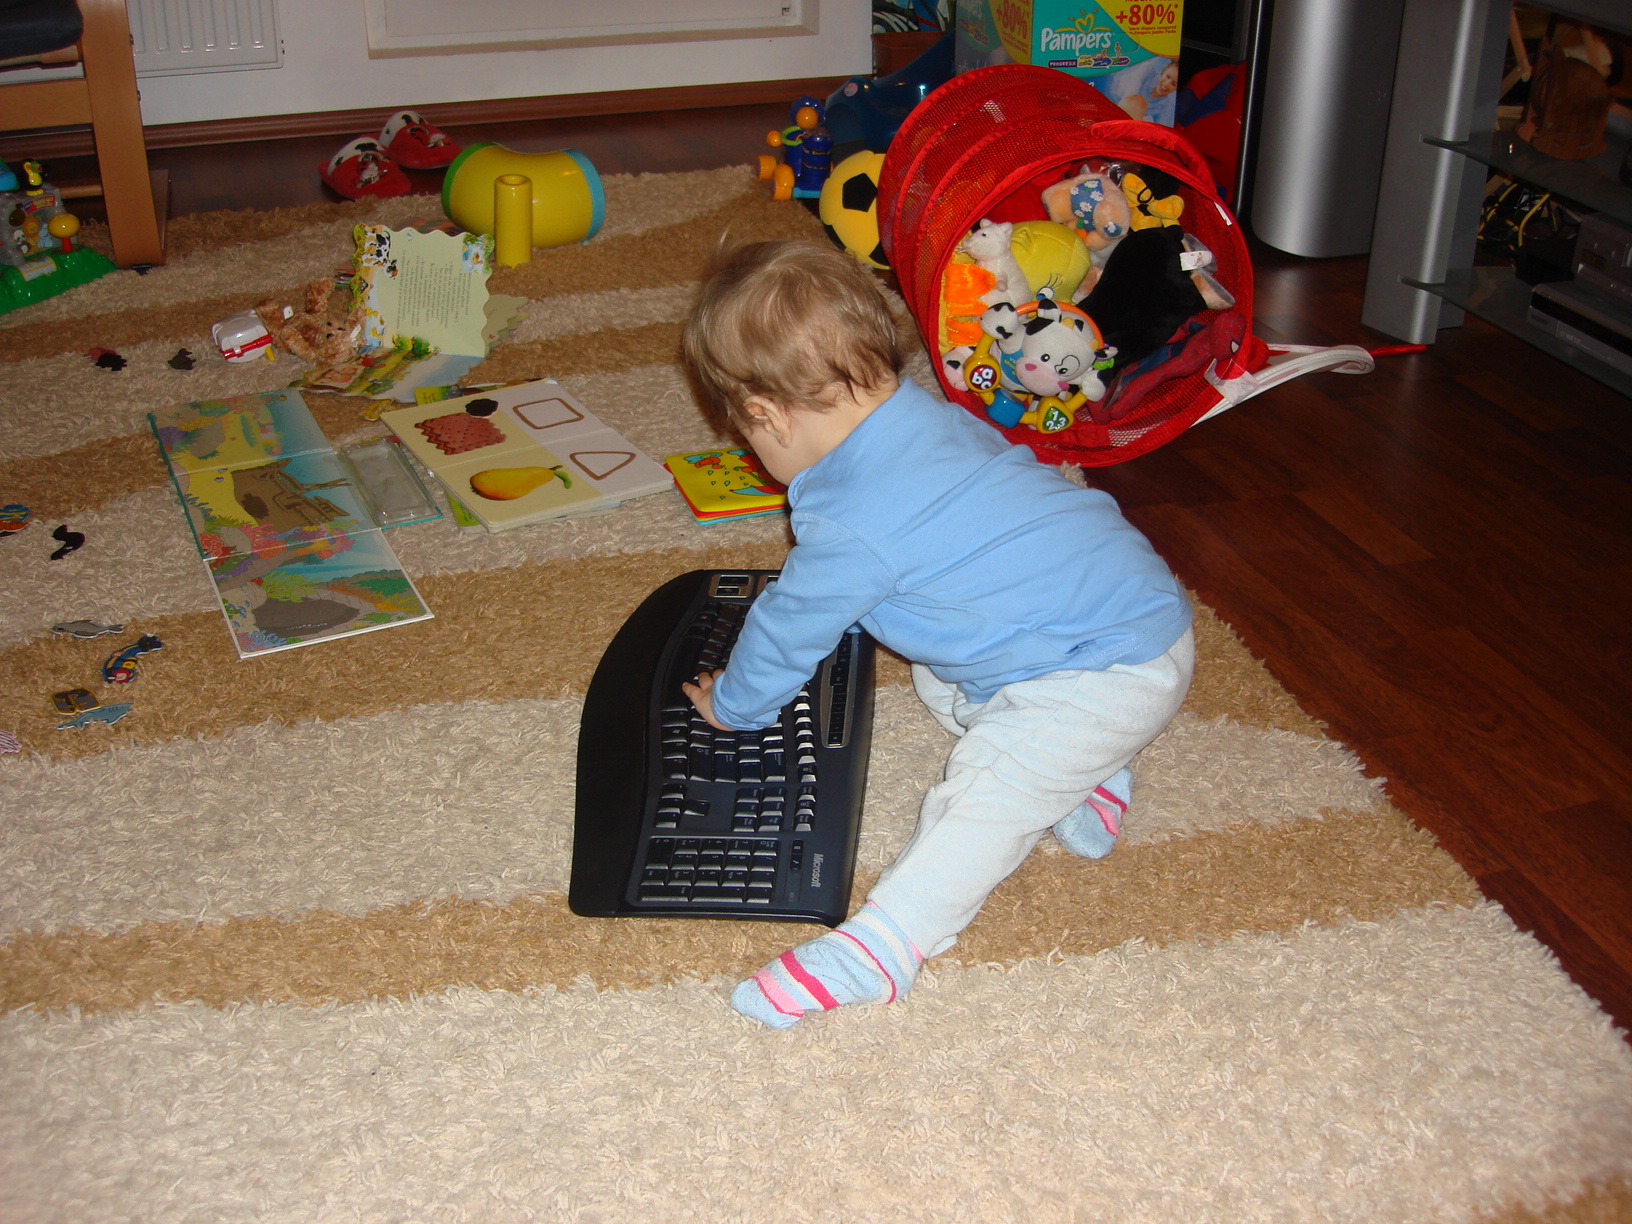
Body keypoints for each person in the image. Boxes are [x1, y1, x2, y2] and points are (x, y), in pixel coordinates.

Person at [680, 240, 1194, 1029]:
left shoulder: (850, 525)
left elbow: (786, 630)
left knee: (987, 790)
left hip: (1103, 670)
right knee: (935, 668)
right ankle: (1088, 767)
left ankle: (883, 948)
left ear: (765, 416)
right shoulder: (930, 417)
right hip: (1129, 607)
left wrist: (736, 706)